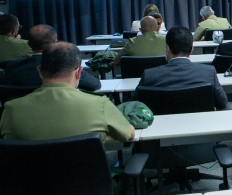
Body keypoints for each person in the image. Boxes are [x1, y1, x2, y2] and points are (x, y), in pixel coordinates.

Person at [0, 42, 134, 142]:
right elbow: (129, 134)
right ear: (79, 72)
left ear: (40, 71)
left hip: (29, 180)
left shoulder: (11, 108)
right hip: (85, 179)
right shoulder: (99, 104)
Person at [136, 26, 228, 110]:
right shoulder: (209, 72)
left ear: (167, 48)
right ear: (191, 49)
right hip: (200, 125)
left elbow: (134, 105)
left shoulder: (149, 75)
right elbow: (222, 103)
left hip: (162, 126)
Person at [4, 24, 100, 92]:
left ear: (28, 44)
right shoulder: (67, 64)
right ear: (55, 42)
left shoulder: (12, 67)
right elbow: (95, 85)